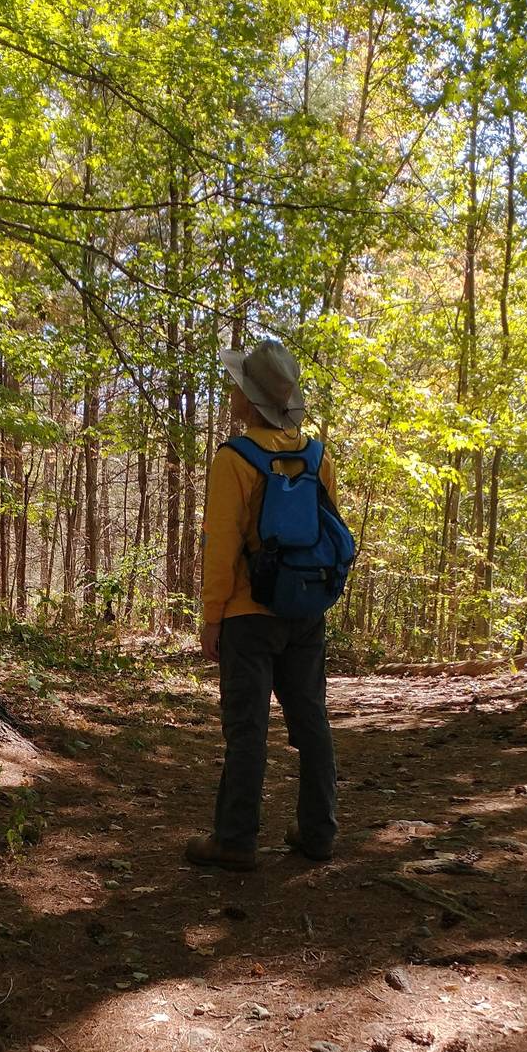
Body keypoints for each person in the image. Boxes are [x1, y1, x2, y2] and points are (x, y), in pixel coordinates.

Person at [186, 338, 338, 873]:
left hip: (248, 616)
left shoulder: (234, 459)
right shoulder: (316, 455)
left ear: (249, 401)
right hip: (305, 610)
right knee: (311, 719)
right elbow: (327, 532)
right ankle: (318, 832)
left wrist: (212, 616)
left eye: (238, 387)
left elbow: (222, 544)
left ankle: (235, 839)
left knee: (247, 728)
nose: (233, 393)